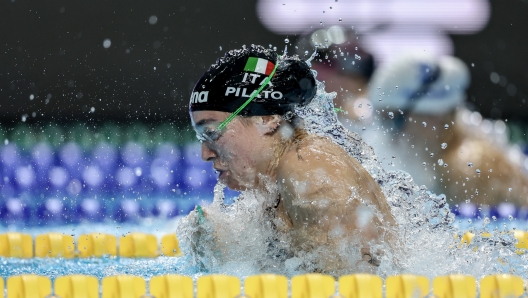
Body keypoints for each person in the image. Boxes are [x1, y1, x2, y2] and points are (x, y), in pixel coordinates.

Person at [185, 45, 398, 273]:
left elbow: (355, 288)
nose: (205, 153)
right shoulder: (279, 179)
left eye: (212, 133)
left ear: (266, 119)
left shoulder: (307, 173)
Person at [369, 53, 528, 208]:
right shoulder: (437, 158)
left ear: (435, 117)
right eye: (383, 122)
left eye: (394, 121)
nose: (389, 134)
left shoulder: (468, 164)